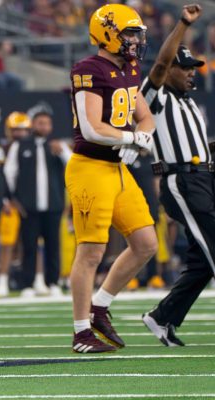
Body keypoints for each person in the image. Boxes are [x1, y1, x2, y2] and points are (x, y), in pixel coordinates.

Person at [67, 4, 158, 353]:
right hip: (90, 167)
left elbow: (144, 116)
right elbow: (91, 128)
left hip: (117, 169)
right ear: (107, 33)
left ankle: (100, 306)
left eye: (137, 33)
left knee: (146, 243)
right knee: (91, 251)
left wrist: (144, 135)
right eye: (128, 33)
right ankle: (80, 332)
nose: (135, 40)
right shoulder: (88, 69)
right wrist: (131, 138)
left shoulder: (130, 67)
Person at [140, 5, 214, 346]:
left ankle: (161, 317)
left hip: (203, 180)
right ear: (169, 70)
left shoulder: (190, 105)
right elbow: (158, 65)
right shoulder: (156, 97)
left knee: (203, 263)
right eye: (184, 67)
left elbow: (199, 146)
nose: (190, 73)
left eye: (194, 68)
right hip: (181, 182)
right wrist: (183, 23)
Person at [5, 105, 71, 298]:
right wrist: (13, 199)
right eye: (40, 122)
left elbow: (73, 165)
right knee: (29, 245)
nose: (44, 126)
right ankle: (28, 283)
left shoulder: (58, 145)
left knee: (53, 245)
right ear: (33, 124)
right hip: (29, 206)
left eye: (47, 123)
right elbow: (10, 173)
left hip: (53, 205)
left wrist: (63, 152)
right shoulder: (21, 145)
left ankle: (53, 283)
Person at [0, 111, 30, 298]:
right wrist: (6, 200)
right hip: (10, 203)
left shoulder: (32, 148)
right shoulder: (1, 148)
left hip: (28, 202)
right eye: (15, 130)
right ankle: (2, 281)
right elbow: (2, 178)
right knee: (7, 243)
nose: (19, 134)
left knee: (29, 244)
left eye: (23, 130)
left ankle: (28, 281)